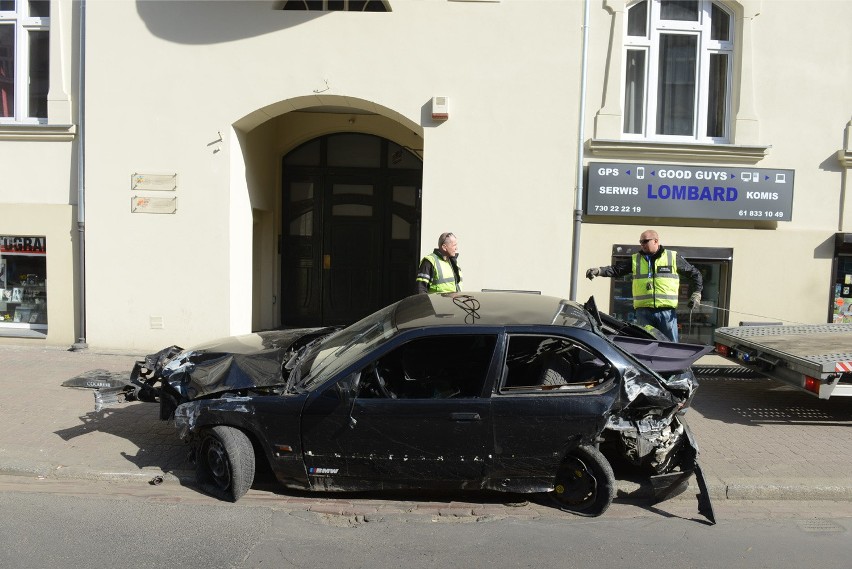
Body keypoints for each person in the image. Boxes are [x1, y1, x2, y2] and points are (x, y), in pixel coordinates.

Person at [585, 229, 702, 342]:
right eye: (640, 242)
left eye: (645, 241)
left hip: (666, 311)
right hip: (644, 312)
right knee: (645, 345)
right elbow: (616, 270)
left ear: (656, 241)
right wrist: (599, 271)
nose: (642, 244)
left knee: (670, 346)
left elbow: (695, 274)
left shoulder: (671, 257)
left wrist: (697, 293)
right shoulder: (636, 259)